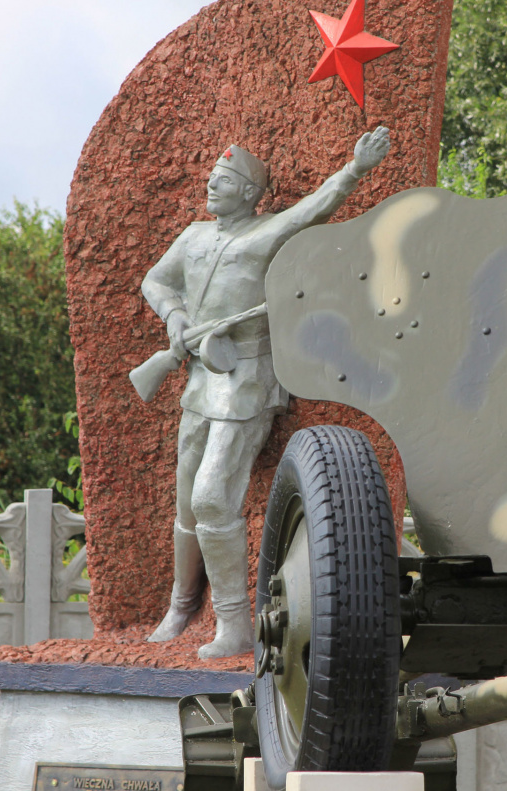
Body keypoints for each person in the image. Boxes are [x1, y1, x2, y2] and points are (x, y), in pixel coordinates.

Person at [140, 126, 391, 657]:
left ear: (251, 194)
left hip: (246, 381)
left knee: (212, 497)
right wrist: (175, 317)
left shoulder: (268, 231)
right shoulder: (192, 236)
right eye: (213, 175)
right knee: (187, 501)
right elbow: (155, 281)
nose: (212, 184)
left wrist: (356, 168)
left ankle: (233, 624)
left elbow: (315, 208)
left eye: (225, 179)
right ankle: (182, 604)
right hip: (200, 378)